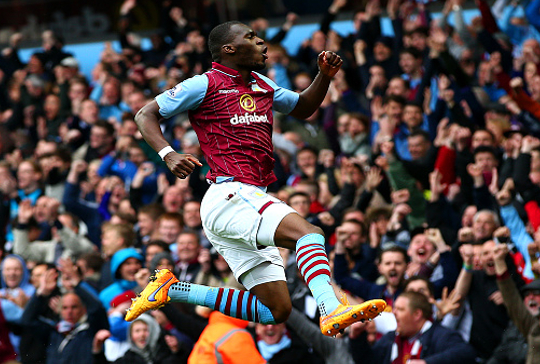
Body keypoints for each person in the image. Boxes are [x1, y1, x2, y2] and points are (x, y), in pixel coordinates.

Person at [127, 21, 386, 336]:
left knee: (276, 310)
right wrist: (168, 154)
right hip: (230, 194)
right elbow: (145, 114)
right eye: (251, 37)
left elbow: (303, 107)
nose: (262, 41)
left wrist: (324, 77)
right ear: (229, 49)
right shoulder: (204, 84)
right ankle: (331, 308)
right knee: (309, 234)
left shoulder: (262, 83)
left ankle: (173, 290)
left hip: (239, 203)